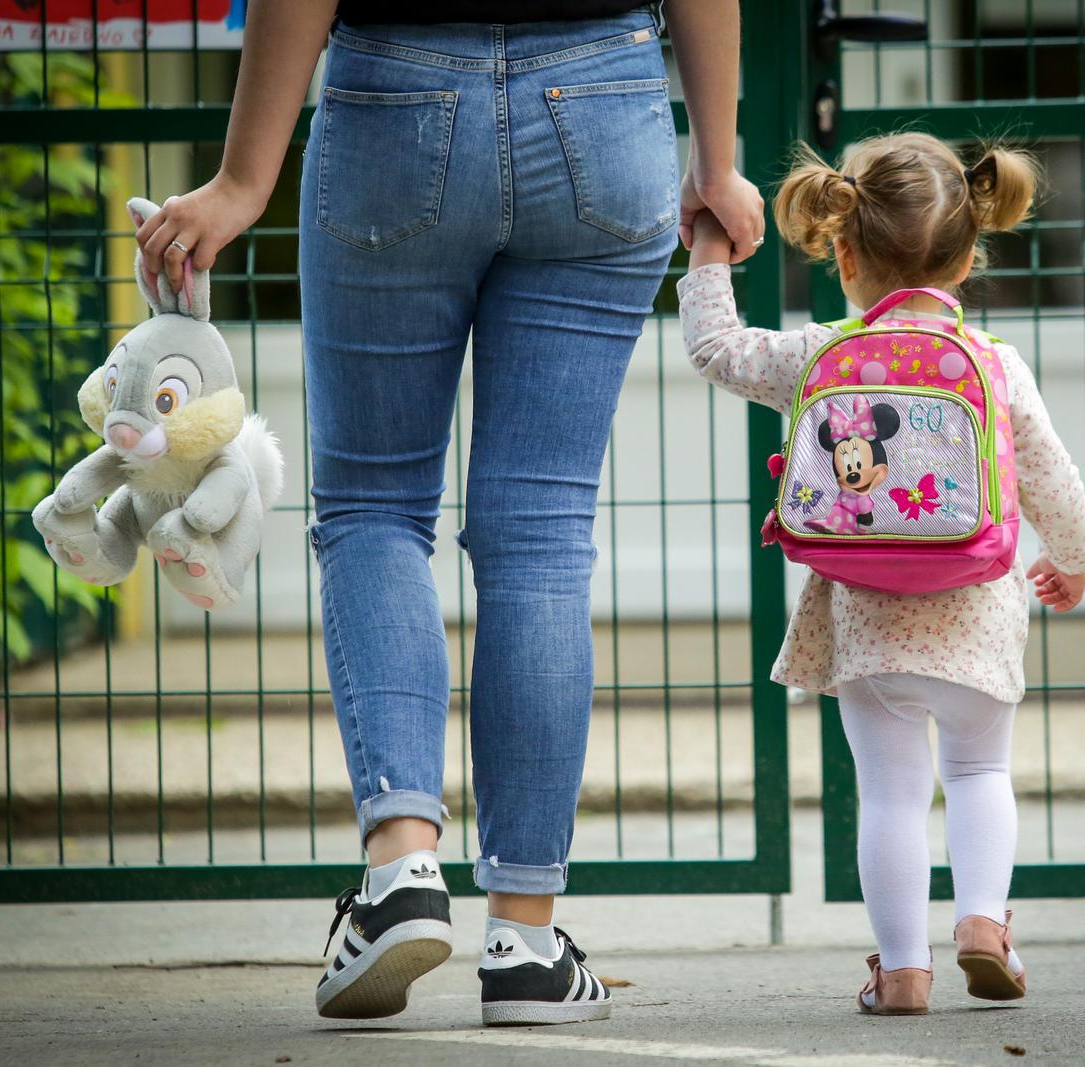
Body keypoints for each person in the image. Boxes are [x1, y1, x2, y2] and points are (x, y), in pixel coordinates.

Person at [135, 0, 763, 1028]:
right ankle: (525, 942)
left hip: (396, 95)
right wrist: (718, 157)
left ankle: (401, 869)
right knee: (540, 534)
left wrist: (245, 179)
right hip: (605, 101)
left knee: (375, 504)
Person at [679, 132, 1085, 1014]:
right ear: (971, 253)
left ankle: (903, 970)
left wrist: (710, 248)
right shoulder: (994, 364)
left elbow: (716, 351)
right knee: (981, 773)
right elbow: (1053, 475)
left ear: (841, 249)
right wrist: (1073, 559)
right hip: (979, 612)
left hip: (868, 626)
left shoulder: (820, 354)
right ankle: (985, 923)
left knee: (892, 796)